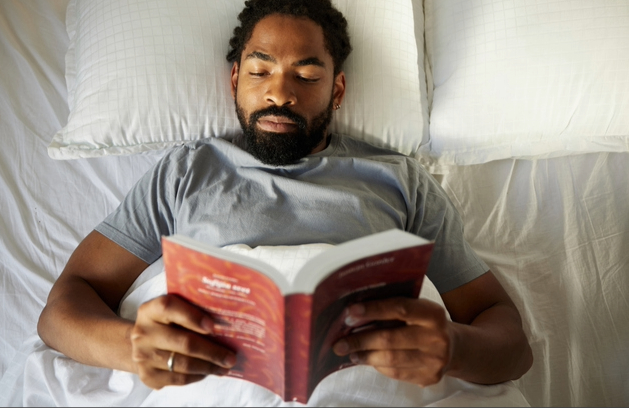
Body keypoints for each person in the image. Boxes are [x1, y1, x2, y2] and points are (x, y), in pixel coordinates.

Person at [37, 0, 532, 399]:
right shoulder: (186, 170)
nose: (280, 93)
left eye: (307, 76)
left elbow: (511, 344)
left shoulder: (400, 180)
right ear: (234, 80)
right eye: (260, 71)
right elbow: (62, 309)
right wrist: (133, 347)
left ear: (337, 90)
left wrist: (453, 346)